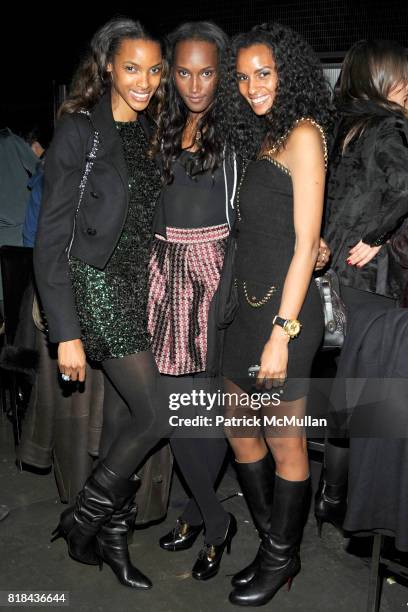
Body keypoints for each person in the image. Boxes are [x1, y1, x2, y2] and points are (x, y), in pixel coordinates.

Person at [33, 17, 174, 591]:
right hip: (97, 287)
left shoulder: (152, 132)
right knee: (158, 414)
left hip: (140, 291)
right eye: (132, 67)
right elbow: (50, 239)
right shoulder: (80, 131)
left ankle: (112, 538)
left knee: (124, 421)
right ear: (109, 67)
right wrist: (65, 331)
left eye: (153, 69)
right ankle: (81, 519)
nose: (144, 80)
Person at [221, 22, 333, 606]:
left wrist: (282, 336)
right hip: (245, 311)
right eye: (242, 78)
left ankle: (280, 560)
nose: (252, 87)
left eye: (264, 74)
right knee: (240, 430)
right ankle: (273, 544)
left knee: (284, 441)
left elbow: (303, 242)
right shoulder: (264, 137)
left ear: (287, 72)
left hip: (284, 318)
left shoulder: (305, 135)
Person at [147, 21, 242, 580]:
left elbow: (245, 218)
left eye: (206, 72)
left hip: (213, 276)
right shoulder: (160, 127)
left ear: (220, 73)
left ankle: (201, 515)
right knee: (175, 410)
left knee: (206, 413)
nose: (195, 84)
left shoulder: (234, 135)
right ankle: (212, 517)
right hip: (165, 276)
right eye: (183, 72)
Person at [315, 39, 408, 535]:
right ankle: (359, 503)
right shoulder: (390, 126)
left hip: (341, 275)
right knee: (370, 399)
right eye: (403, 76)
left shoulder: (346, 127)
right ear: (380, 80)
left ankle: (332, 496)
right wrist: (378, 234)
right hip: (372, 280)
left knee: (354, 391)